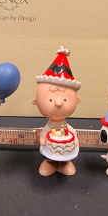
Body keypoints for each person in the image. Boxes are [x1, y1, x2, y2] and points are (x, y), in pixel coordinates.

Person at [34, 46, 81, 177]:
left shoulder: (67, 127)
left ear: (77, 101)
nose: (58, 103)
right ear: (36, 101)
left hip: (66, 151)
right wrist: (42, 140)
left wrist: (75, 140)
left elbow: (72, 132)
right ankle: (50, 163)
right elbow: (44, 134)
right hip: (50, 151)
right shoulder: (48, 127)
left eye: (65, 99)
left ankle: (64, 164)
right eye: (50, 99)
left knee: (66, 154)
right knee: (49, 155)